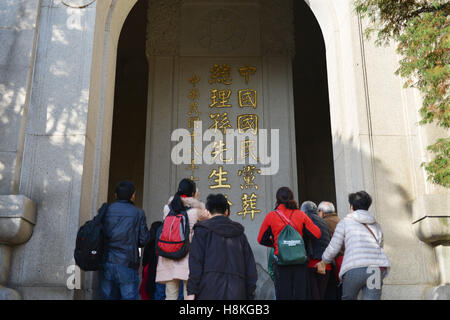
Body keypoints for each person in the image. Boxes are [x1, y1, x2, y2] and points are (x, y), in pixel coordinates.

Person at [315, 191, 390, 300]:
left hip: (354, 267)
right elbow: (380, 245)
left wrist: (324, 261)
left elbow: (334, 246)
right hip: (375, 268)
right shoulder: (376, 225)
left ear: (352, 206)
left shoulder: (345, 222)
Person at [186, 194, 257, 300]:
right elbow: (250, 268)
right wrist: (249, 294)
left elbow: (196, 262)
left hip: (208, 291)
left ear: (208, 212)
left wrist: (191, 291)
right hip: (237, 292)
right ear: (226, 212)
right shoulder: (240, 235)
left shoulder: (202, 231)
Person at [257, 187, 321, 300]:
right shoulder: (301, 215)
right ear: (292, 198)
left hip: (281, 264)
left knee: (284, 295)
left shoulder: (271, 216)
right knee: (301, 295)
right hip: (300, 263)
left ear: (277, 200)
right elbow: (317, 234)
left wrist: (277, 244)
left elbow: (261, 239)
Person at [155, 178, 208, 300]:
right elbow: (208, 218)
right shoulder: (196, 211)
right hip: (187, 256)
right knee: (188, 294)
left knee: (170, 295)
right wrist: (197, 200)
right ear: (193, 193)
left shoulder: (167, 209)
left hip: (168, 255)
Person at [100, 180, 151, 300]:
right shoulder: (138, 212)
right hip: (127, 263)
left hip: (107, 261)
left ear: (115, 195)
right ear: (132, 196)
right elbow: (144, 240)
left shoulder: (106, 210)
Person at [300, 201, 331, 300]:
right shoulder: (323, 222)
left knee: (313, 295)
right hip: (326, 264)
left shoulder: (305, 219)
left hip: (313, 263)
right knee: (321, 295)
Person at [317, 201, 343, 300]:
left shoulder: (323, 223)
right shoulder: (340, 221)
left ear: (322, 212)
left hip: (333, 262)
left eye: (318, 212)